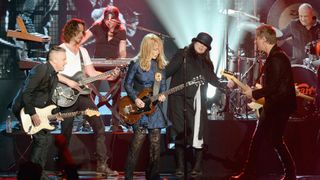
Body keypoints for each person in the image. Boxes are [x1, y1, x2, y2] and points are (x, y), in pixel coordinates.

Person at [230, 25, 297, 180]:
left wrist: (254, 93)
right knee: (271, 139)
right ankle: (289, 173)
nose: (255, 41)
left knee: (263, 139)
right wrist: (258, 90)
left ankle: (250, 173)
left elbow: (273, 87)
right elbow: (274, 85)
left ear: (264, 39)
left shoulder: (277, 58)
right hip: (277, 104)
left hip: (279, 106)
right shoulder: (275, 57)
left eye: (257, 38)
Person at [165, 32, 233, 177]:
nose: (202, 47)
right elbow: (168, 71)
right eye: (200, 43)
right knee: (180, 132)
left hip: (198, 101)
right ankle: (180, 167)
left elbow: (213, 79)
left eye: (205, 46)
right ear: (194, 42)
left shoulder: (207, 63)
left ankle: (197, 167)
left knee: (199, 133)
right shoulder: (182, 55)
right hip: (179, 100)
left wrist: (225, 85)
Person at [57, 18, 119, 176]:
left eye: (83, 31)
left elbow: (91, 73)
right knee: (66, 132)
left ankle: (102, 165)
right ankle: (64, 167)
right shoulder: (60, 49)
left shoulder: (83, 51)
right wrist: (70, 83)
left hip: (83, 96)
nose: (82, 34)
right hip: (66, 96)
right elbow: (54, 73)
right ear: (71, 31)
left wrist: (109, 76)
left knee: (99, 127)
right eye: (79, 31)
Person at [11, 46, 67, 179]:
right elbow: (26, 92)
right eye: (64, 59)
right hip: (25, 109)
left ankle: (38, 172)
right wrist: (33, 114)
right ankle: (32, 175)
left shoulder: (53, 75)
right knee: (41, 140)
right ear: (55, 59)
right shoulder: (41, 69)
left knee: (46, 139)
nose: (66, 62)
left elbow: (45, 99)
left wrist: (56, 112)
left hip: (36, 109)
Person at [123, 33, 170, 180]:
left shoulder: (160, 65)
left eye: (158, 49)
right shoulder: (136, 63)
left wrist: (162, 96)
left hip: (154, 110)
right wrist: (136, 99)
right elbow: (127, 84)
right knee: (136, 146)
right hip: (140, 110)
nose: (157, 52)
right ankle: (128, 176)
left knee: (155, 147)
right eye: (154, 49)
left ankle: (153, 176)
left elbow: (162, 87)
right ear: (147, 48)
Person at [81, 5, 127, 132]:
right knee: (91, 92)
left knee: (116, 92)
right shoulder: (97, 26)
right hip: (96, 64)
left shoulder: (121, 30)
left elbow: (122, 51)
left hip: (113, 64)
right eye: (107, 18)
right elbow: (81, 40)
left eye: (112, 19)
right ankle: (88, 122)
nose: (109, 21)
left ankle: (115, 122)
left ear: (117, 19)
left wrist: (120, 64)